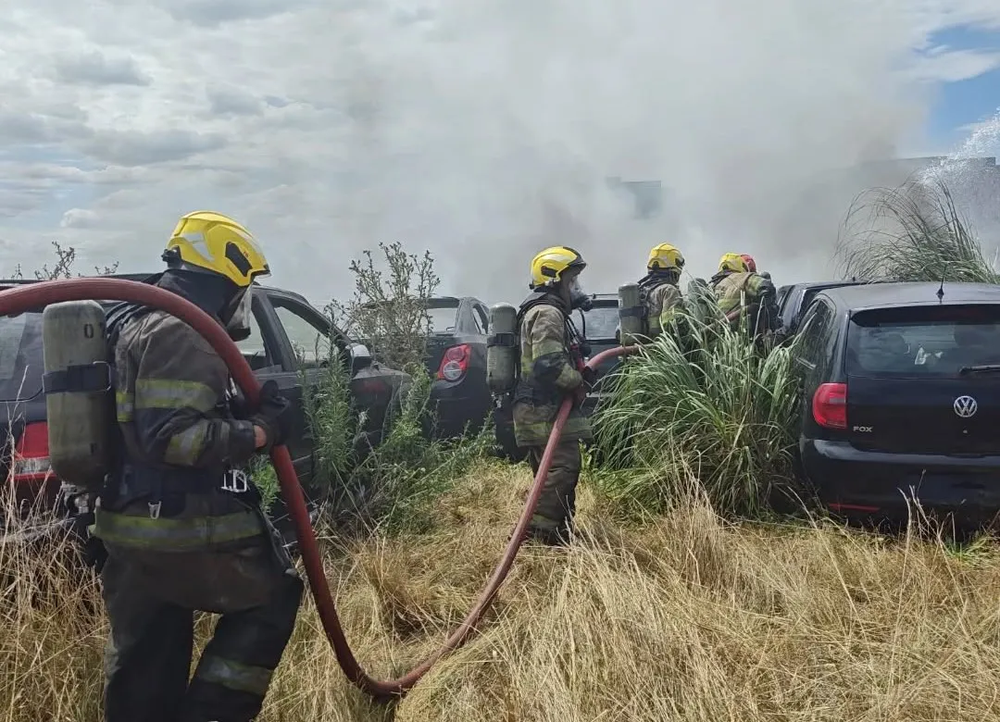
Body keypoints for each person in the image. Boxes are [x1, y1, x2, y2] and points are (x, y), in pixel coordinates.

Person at [93, 211, 303, 722]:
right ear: (225, 280)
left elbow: (149, 420)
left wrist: (236, 408)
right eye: (245, 286)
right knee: (273, 595)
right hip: (176, 526)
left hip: (128, 524)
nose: (245, 298)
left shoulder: (136, 321)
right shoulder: (184, 331)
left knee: (148, 671)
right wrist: (260, 431)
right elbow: (175, 439)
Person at [511, 246, 595, 545]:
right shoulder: (547, 313)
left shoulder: (548, 311)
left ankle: (559, 534)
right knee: (562, 468)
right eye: (572, 280)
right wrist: (577, 381)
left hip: (539, 408)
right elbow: (548, 364)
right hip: (542, 408)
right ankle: (535, 534)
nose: (577, 288)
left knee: (552, 473)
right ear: (554, 280)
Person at [709, 252, 778, 337]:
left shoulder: (712, 287)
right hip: (742, 339)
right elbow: (766, 287)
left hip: (717, 340)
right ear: (741, 266)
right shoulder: (744, 277)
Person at [637, 243, 685, 339]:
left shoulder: (640, 289)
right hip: (659, 347)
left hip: (640, 348)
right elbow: (672, 326)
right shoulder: (668, 290)